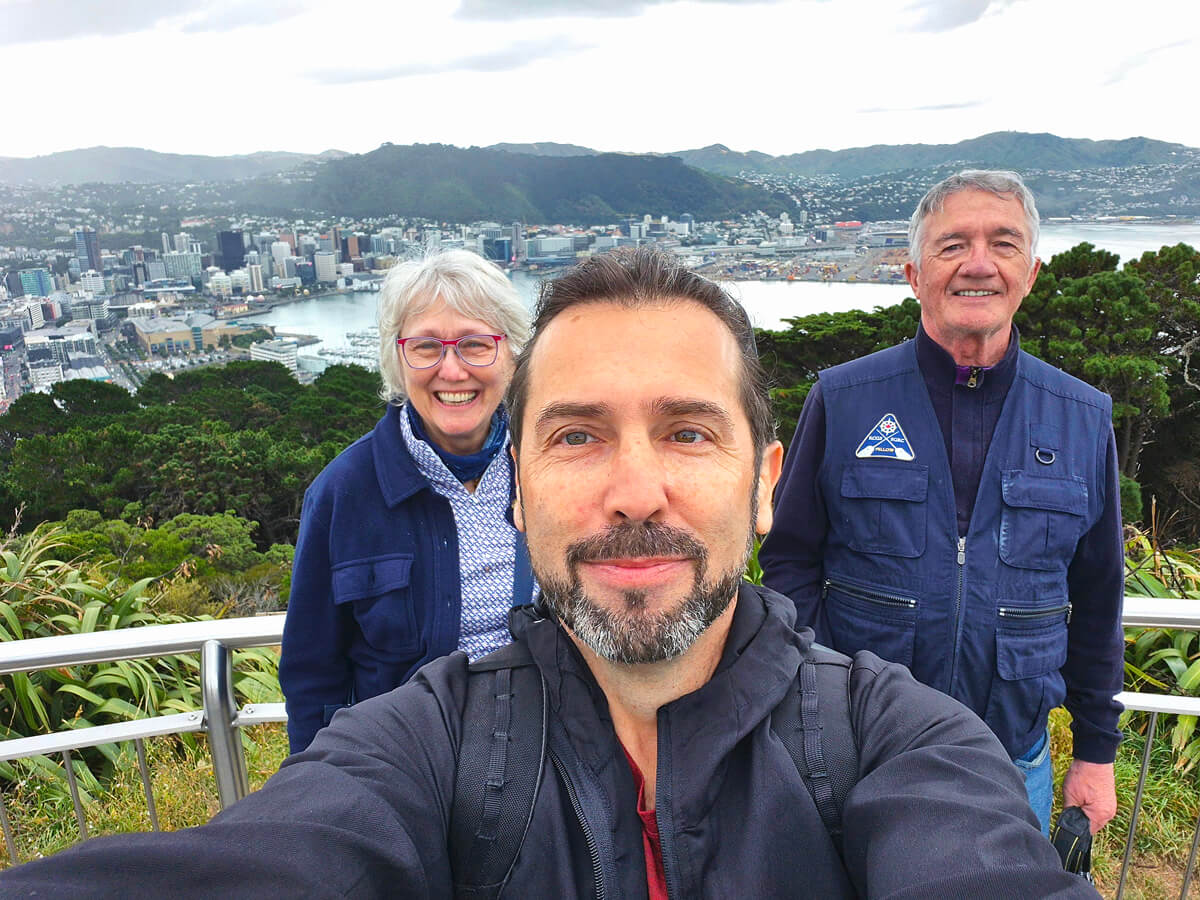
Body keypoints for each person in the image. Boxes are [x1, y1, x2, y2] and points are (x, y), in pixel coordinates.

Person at [0, 248, 1091, 898]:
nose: (632, 491)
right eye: (574, 437)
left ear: (765, 485)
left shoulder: (901, 739)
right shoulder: (422, 743)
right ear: (516, 492)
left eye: (687, 433)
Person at [759, 170, 1124, 836]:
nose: (978, 264)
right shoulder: (843, 399)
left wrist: (1097, 751)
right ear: (914, 273)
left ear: (1031, 273)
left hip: (1011, 759)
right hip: (859, 751)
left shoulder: (1082, 416)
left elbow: (1098, 594)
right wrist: (815, 699)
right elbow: (789, 561)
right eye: (953, 245)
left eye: (1004, 244)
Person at [279, 249, 535, 753]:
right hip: (406, 763)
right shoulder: (343, 493)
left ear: (512, 354)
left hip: (542, 751)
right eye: (425, 347)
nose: (452, 370)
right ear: (398, 357)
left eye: (475, 345)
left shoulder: (549, 466)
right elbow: (313, 674)